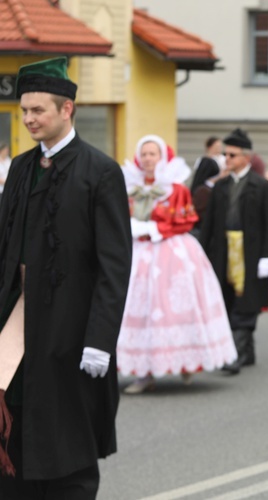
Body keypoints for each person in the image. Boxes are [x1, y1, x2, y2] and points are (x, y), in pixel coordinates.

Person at [0, 57, 131, 498]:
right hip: (17, 326)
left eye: (38, 110)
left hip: (72, 330)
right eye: (24, 111)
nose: (30, 119)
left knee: (67, 441)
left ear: (66, 109)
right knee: (11, 429)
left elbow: (115, 265)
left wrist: (100, 339)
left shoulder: (101, 172)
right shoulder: (19, 168)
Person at [117, 135, 237, 394]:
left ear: (162, 157)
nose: (148, 159)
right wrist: (133, 229)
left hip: (171, 254)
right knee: (141, 310)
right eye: (144, 154)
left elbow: (186, 220)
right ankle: (144, 372)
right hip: (138, 254)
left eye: (153, 154)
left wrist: (154, 227)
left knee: (177, 306)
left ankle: (186, 361)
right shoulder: (129, 186)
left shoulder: (175, 187)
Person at [199, 128, 268, 374]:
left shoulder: (261, 186)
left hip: (250, 252)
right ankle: (247, 351)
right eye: (225, 155)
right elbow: (208, 226)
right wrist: (201, 254)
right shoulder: (220, 187)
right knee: (228, 298)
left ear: (246, 157)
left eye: (232, 155)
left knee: (247, 301)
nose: (227, 159)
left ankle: (236, 354)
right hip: (224, 251)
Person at [190, 136, 225, 232]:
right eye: (217, 146)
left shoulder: (223, 159)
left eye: (220, 146)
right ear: (210, 147)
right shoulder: (205, 161)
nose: (219, 148)